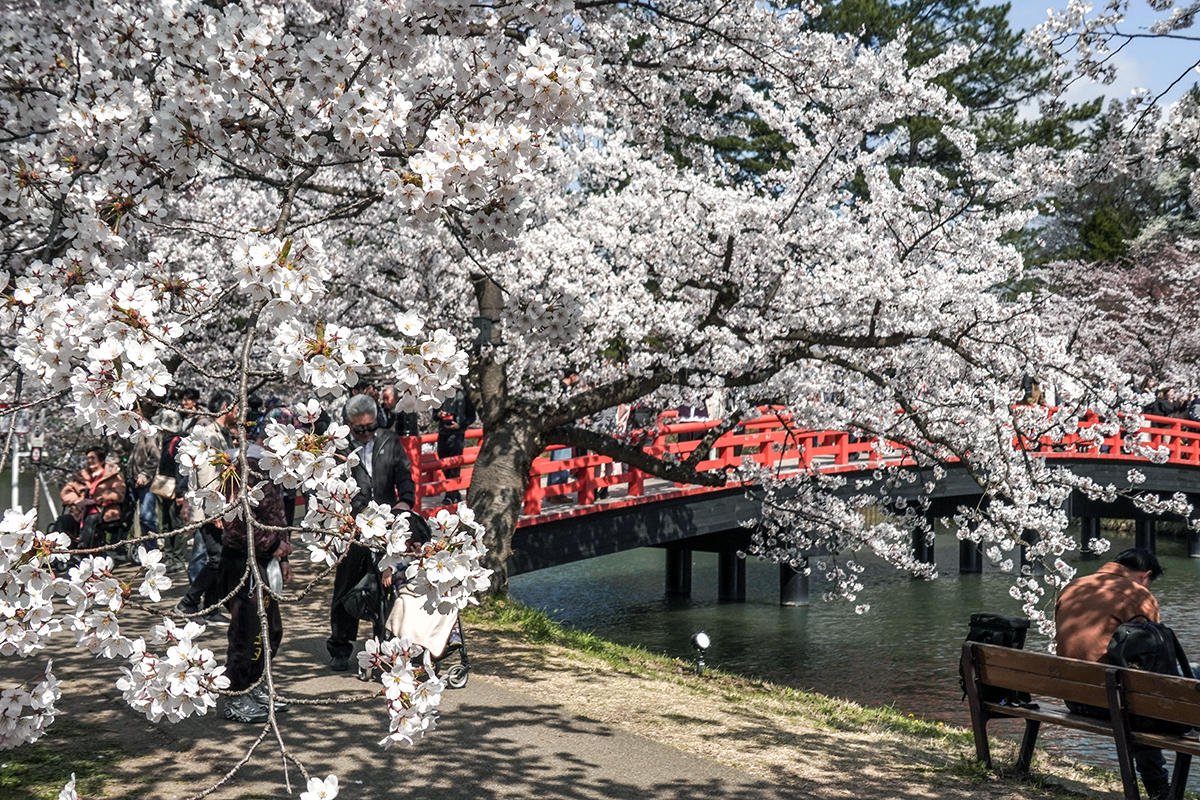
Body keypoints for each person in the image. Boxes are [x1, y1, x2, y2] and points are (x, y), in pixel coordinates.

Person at [1055, 548, 1173, 800]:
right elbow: (1153, 661)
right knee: (1145, 701)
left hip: (1073, 697)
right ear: (1145, 576)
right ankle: (1160, 789)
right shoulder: (1138, 595)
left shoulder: (1072, 586)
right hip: (1111, 702)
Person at [327, 393, 418, 672]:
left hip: (387, 524)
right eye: (360, 429)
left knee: (385, 586)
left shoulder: (389, 441)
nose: (367, 433)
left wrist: (405, 499)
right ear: (348, 424)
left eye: (371, 426)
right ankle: (341, 647)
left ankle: (382, 648)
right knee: (346, 584)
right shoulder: (338, 449)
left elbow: (404, 473)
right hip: (353, 528)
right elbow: (333, 487)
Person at [217, 427, 293, 724]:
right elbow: (236, 527)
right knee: (247, 633)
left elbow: (276, 516)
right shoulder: (244, 468)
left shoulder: (272, 468)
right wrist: (274, 545)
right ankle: (237, 696)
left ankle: (256, 684)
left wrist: (284, 555)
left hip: (266, 560)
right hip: (244, 562)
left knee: (271, 631)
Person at [174, 390, 238, 623]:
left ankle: (211, 606)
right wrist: (215, 511)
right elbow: (207, 474)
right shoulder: (209, 435)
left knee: (221, 557)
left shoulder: (224, 434)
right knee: (217, 557)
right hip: (211, 506)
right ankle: (188, 603)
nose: (238, 412)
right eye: (235, 407)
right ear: (226, 408)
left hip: (222, 505)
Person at [60, 444, 127, 552]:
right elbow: (67, 491)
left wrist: (95, 500)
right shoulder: (82, 475)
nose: (89, 461)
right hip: (81, 512)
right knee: (63, 520)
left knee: (91, 520)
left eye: (92, 458)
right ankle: (57, 549)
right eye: (87, 458)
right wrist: (76, 501)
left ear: (101, 460)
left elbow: (118, 494)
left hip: (104, 511)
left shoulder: (114, 475)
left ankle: (83, 550)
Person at [434, 388, 475, 505]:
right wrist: (439, 414)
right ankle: (454, 493)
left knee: (455, 464)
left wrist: (460, 425)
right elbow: (434, 415)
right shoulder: (439, 393)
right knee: (443, 462)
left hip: (458, 434)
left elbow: (472, 417)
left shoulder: (464, 395)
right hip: (443, 433)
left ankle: (450, 494)